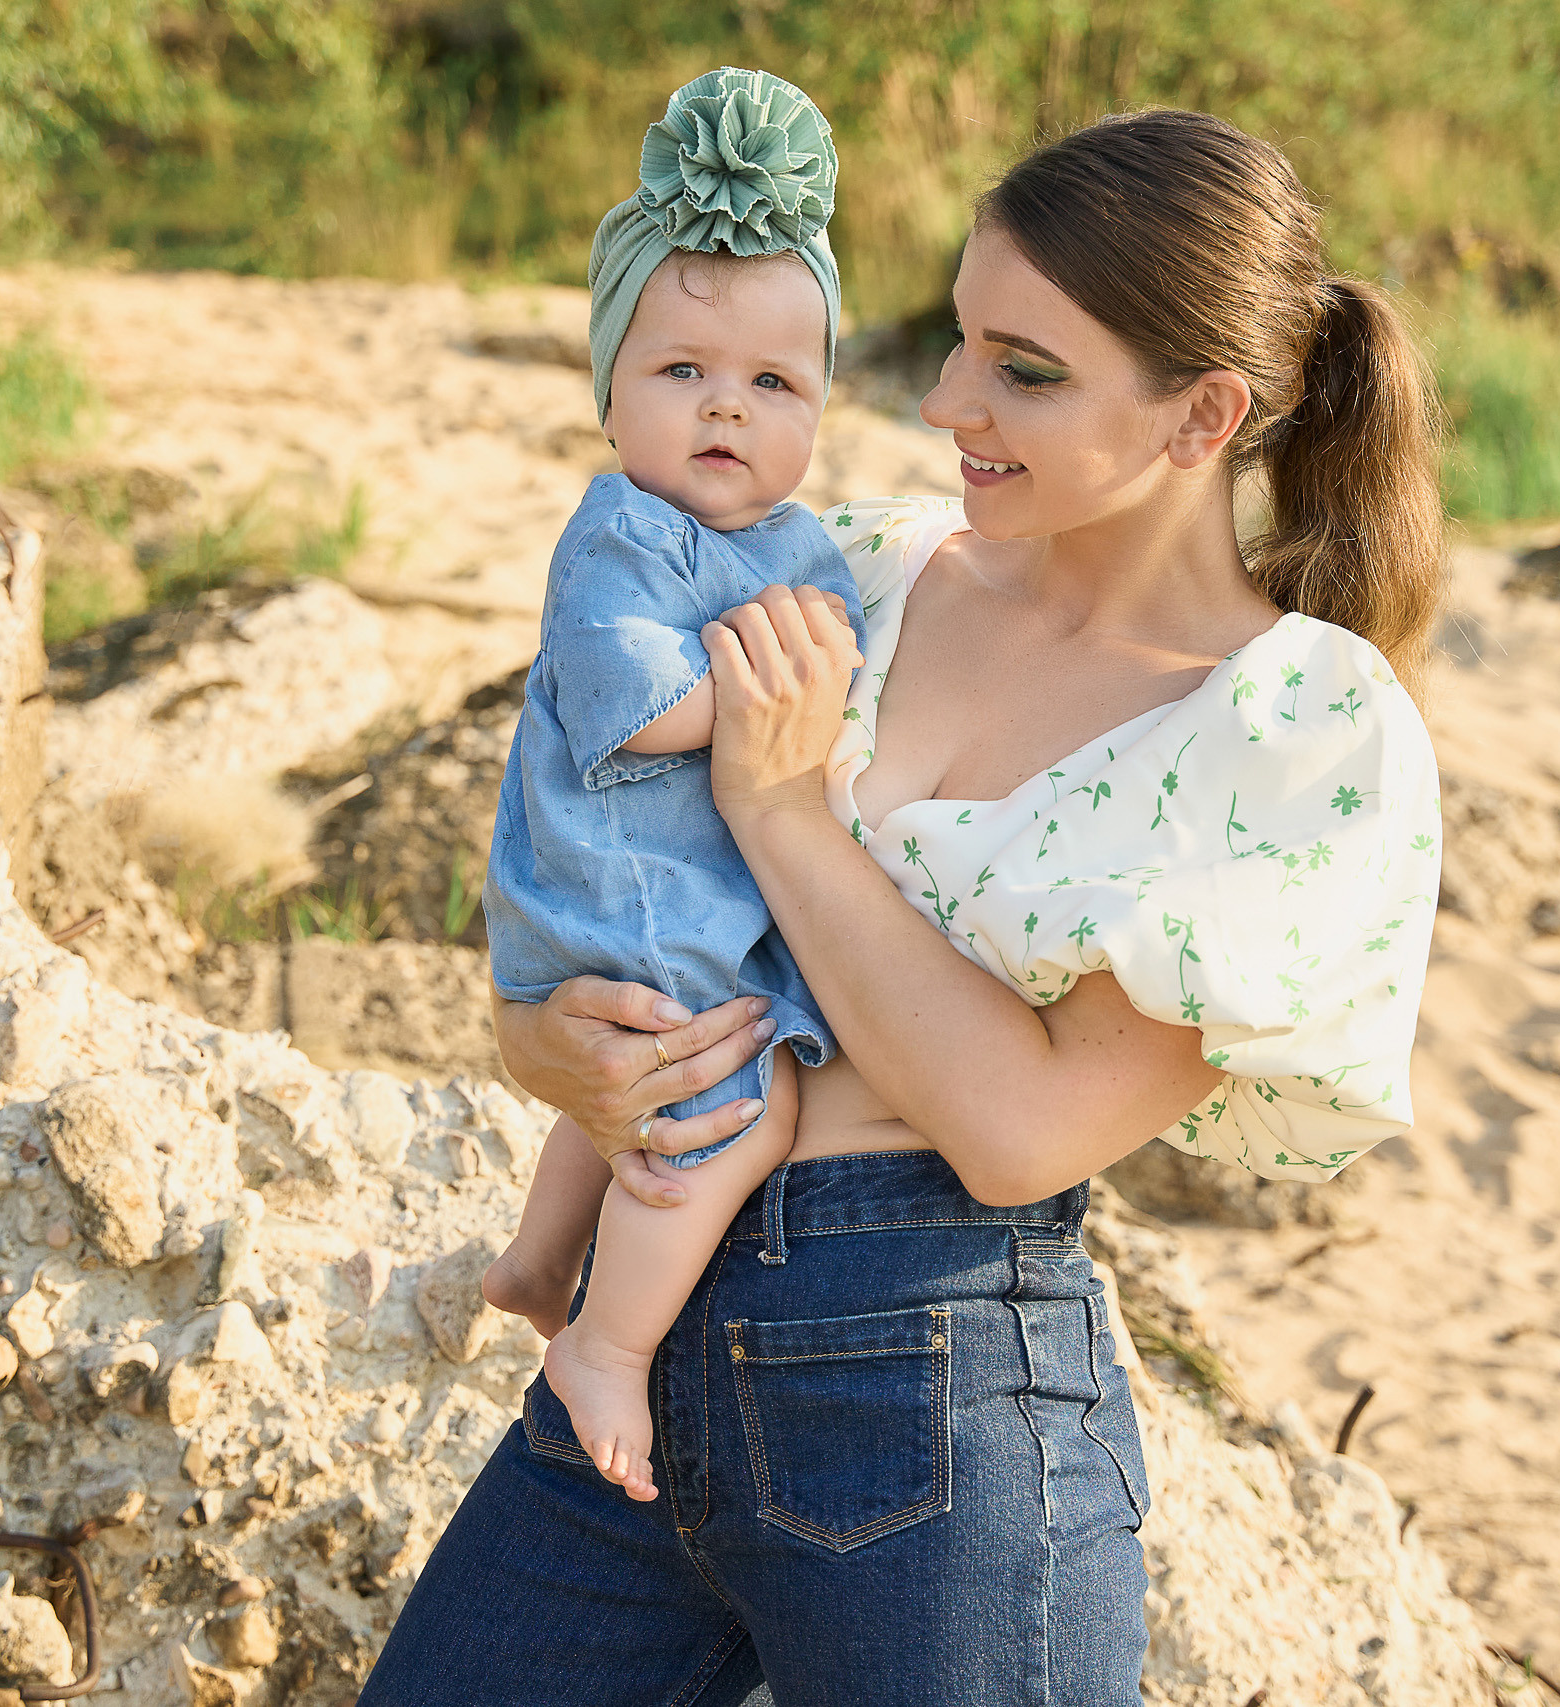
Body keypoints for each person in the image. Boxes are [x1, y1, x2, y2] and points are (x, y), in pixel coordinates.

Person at [363, 107, 1446, 1707]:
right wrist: (546, 1044)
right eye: (956, 339)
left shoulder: (1292, 728)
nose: (944, 403)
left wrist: (787, 808)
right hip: (635, 1344)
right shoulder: (855, 566)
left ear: (1202, 415)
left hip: (933, 1389)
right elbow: (608, 845)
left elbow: (1021, 1128)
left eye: (1024, 367)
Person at [477, 66, 866, 1504]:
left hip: (665, 894)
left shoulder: (796, 541)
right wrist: (769, 708)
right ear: (610, 390)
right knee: (733, 1107)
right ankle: (609, 1345)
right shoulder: (618, 537)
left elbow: (852, 663)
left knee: (630, 1088)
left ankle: (533, 1259)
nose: (727, 409)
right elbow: (630, 704)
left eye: (774, 383)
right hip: (614, 885)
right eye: (682, 374)